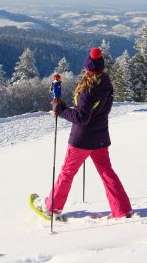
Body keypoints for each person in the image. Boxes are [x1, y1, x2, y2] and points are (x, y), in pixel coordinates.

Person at [45, 48, 133, 219]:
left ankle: (52, 208)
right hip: (100, 138)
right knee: (107, 173)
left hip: (81, 140)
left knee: (67, 173)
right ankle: (122, 209)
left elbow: (81, 117)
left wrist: (61, 109)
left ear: (87, 69)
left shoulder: (88, 90)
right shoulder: (106, 83)